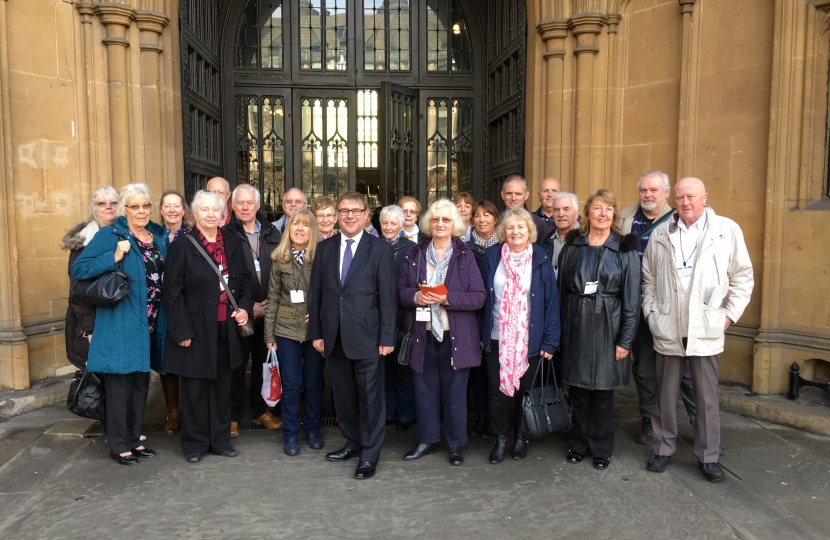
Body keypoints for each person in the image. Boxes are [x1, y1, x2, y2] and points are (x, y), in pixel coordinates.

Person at [644, 177, 754, 482]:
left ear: (705, 196)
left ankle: (708, 456)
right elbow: (649, 278)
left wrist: (728, 316)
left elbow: (743, 277)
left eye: (691, 196)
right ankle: (663, 449)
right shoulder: (662, 232)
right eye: (679, 198)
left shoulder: (726, 230)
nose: (685, 203)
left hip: (706, 325)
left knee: (706, 397)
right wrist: (651, 312)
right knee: (664, 395)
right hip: (668, 323)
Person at [71, 183, 168, 466]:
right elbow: (79, 270)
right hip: (121, 321)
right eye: (134, 206)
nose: (141, 211)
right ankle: (119, 444)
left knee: (140, 384)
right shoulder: (111, 234)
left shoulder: (157, 236)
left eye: (145, 206)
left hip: (149, 323)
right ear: (125, 210)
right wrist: (113, 257)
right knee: (119, 387)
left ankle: (134, 439)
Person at [308, 192, 397, 480]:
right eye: (343, 211)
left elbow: (387, 298)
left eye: (355, 211)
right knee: (343, 397)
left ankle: (369, 455)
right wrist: (317, 332)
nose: (348, 215)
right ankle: (353, 441)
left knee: (370, 398)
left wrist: (387, 337)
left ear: (365, 215)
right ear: (336, 216)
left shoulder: (380, 249)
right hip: (334, 336)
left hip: (369, 337)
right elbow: (317, 295)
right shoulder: (325, 248)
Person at [162, 190, 253, 463]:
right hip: (196, 328)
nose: (212, 215)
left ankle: (220, 440)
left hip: (226, 327)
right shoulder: (183, 246)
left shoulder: (233, 242)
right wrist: (182, 331)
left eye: (216, 210)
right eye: (205, 210)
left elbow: (246, 281)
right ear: (194, 215)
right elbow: (172, 292)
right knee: (196, 389)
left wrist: (245, 309)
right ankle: (195, 443)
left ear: (223, 214)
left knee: (222, 386)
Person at [397, 200, 485, 466]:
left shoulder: (466, 256)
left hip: (455, 335)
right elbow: (400, 291)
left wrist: (446, 299)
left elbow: (479, 297)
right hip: (423, 334)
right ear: (428, 223)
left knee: (455, 393)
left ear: (454, 224)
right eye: (435, 220)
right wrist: (415, 296)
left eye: (446, 220)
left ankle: (455, 443)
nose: (440, 224)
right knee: (424, 391)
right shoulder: (414, 254)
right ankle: (427, 440)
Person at [558, 189, 640, 470]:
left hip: (610, 327)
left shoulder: (625, 249)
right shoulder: (573, 245)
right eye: (597, 208)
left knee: (603, 393)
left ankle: (602, 448)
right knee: (578, 391)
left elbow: (632, 300)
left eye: (608, 209)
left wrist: (625, 341)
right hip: (576, 325)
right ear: (588, 213)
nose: (603, 214)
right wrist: (559, 334)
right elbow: (560, 293)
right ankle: (578, 443)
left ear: (614, 214)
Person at [619, 170, 696, 445]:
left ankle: (702, 428)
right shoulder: (625, 218)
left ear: (666, 193)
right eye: (643, 191)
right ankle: (650, 422)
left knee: (687, 371)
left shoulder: (681, 220)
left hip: (672, 306)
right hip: (636, 304)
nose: (648, 195)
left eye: (653, 190)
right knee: (644, 369)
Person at [479, 208, 560, 463]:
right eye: (510, 227)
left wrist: (550, 340)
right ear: (504, 231)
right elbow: (483, 298)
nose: (515, 232)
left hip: (530, 338)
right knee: (497, 392)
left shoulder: (540, 258)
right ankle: (500, 439)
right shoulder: (492, 256)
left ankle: (521, 437)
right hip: (496, 336)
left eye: (521, 227)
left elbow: (551, 302)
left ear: (529, 232)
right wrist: (481, 332)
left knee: (525, 393)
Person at [264, 209, 324, 456]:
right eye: (295, 224)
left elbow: (328, 294)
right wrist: (269, 336)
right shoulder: (279, 259)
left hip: (313, 332)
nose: (300, 229)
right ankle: (290, 434)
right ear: (289, 229)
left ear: (312, 231)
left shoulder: (321, 258)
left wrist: (319, 315)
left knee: (313, 383)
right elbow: (273, 298)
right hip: (286, 330)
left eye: (305, 225)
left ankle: (312, 429)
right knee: (291, 385)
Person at [226, 184, 284, 437]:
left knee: (264, 365)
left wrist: (269, 305)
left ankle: (261, 411)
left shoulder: (272, 232)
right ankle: (232, 417)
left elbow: (283, 269)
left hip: (269, 311)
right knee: (236, 366)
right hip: (239, 312)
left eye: (250, 203)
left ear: (258, 205)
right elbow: (225, 276)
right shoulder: (226, 234)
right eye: (241, 203)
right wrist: (248, 306)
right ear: (233, 206)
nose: (246, 207)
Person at [61, 186, 119, 370]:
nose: (108, 207)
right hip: (95, 321)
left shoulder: (126, 235)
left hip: (118, 318)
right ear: (95, 208)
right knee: (96, 384)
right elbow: (78, 290)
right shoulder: (85, 241)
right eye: (102, 203)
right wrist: (90, 328)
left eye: (113, 203)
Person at [378, 205, 417, 431]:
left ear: (402, 225)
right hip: (379, 316)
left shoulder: (412, 249)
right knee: (383, 368)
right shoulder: (372, 246)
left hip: (404, 317)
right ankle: (388, 411)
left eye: (394, 223)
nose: (389, 227)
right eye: (385, 223)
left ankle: (406, 414)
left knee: (403, 367)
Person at [156, 189, 192, 435]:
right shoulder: (151, 236)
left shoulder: (191, 236)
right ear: (160, 210)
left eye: (176, 206)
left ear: (183, 210)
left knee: (188, 357)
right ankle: (173, 412)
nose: (171, 210)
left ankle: (190, 412)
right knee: (164, 360)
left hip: (186, 305)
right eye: (167, 206)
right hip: (159, 307)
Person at [464, 199, 500, 437]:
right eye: (477, 215)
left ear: (496, 219)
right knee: (477, 372)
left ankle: (497, 418)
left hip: (497, 317)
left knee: (495, 373)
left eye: (487, 215)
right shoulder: (466, 248)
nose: (482, 219)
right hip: (473, 316)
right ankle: (482, 414)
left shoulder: (505, 247)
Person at [500, 175, 552, 245]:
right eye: (509, 193)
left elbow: (544, 253)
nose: (513, 198)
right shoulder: (494, 222)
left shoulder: (539, 224)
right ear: (502, 195)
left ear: (526, 195)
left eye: (518, 194)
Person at [543, 192, 580, 280]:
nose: (561, 214)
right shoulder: (546, 241)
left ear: (576, 214)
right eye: (556, 210)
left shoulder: (586, 240)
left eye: (566, 209)